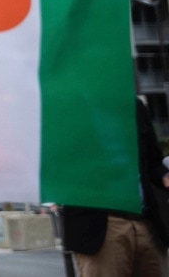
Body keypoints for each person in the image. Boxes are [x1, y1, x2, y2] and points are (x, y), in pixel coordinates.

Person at [63, 98, 169, 276]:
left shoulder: (135, 106)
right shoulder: (70, 107)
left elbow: (153, 161)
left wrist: (165, 176)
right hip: (102, 226)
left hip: (146, 224)